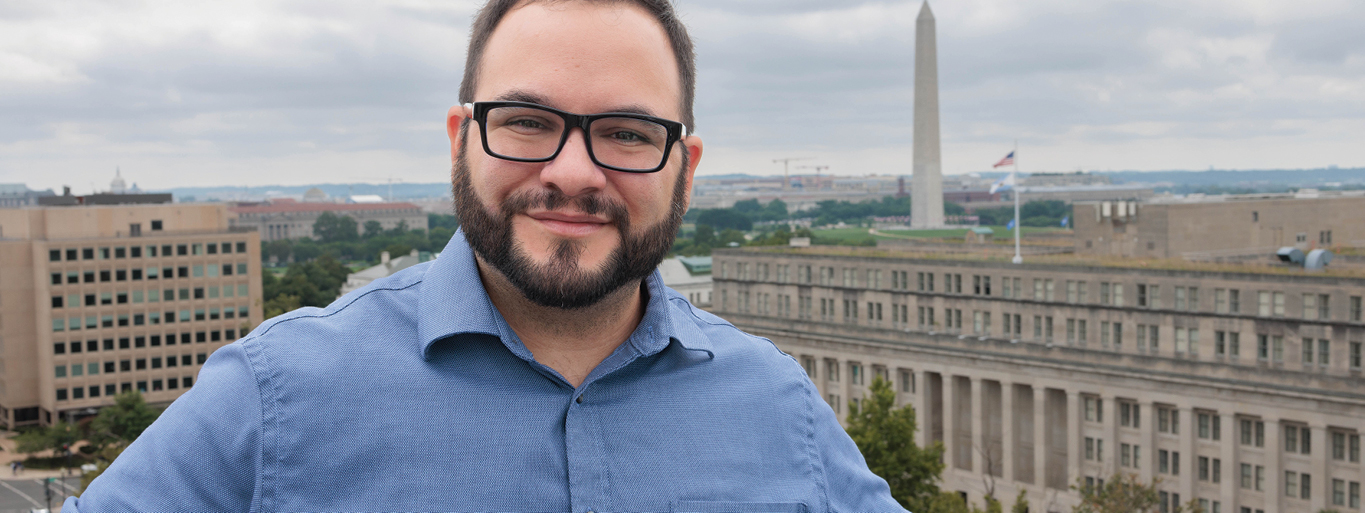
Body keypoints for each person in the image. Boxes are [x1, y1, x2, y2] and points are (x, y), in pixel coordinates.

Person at [67, 0, 905, 511]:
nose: (572, 171)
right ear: (462, 140)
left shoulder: (773, 401)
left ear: (682, 168)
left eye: (625, 132)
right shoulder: (275, 394)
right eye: (527, 122)